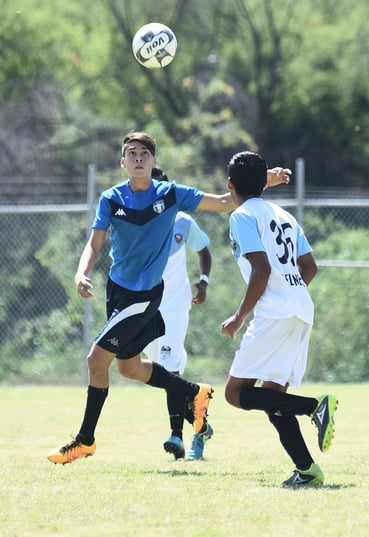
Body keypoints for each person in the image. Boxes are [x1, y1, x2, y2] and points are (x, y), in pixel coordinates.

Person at [47, 132, 290, 465]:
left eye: (144, 153)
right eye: (131, 153)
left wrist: (263, 181)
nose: (138, 158)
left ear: (153, 161)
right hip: (118, 290)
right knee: (130, 367)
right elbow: (94, 244)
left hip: (145, 294)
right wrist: (81, 271)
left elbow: (222, 203)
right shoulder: (111, 198)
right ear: (122, 162)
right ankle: (194, 392)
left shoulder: (171, 194)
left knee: (95, 361)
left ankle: (84, 440)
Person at [221, 150, 338, 487]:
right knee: (274, 398)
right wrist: (291, 292)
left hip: (274, 312)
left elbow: (261, 268)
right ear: (264, 182)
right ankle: (307, 470)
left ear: (230, 184)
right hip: (300, 306)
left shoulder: (242, 215)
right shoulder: (284, 214)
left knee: (235, 393)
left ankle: (315, 406)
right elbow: (310, 267)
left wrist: (240, 316)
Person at [144, 167, 213, 461]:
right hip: (145, 305)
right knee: (155, 371)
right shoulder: (135, 224)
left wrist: (204, 281)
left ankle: (178, 437)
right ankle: (201, 422)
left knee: (170, 370)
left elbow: (204, 250)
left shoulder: (182, 221)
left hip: (173, 304)